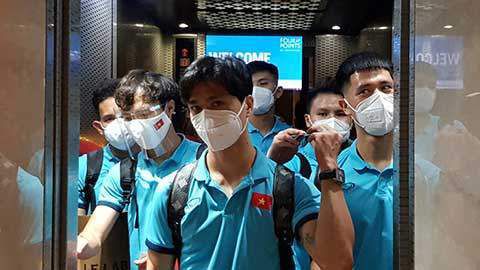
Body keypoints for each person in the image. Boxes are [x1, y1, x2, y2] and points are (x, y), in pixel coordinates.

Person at [145, 56, 354, 270]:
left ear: (248, 105)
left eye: (217, 103)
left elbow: (337, 263)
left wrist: (329, 172)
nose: (206, 116)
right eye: (196, 108)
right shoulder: (174, 192)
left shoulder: (290, 188)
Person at [76, 70, 204, 270]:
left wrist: (164, 258)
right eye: (128, 118)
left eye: (144, 115)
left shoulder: (203, 162)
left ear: (169, 109)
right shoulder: (124, 173)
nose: (137, 124)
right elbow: (94, 232)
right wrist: (81, 245)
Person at [335, 52, 395, 270]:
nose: (378, 98)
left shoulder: (422, 170)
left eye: (386, 88)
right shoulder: (334, 174)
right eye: (365, 91)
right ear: (345, 106)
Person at [268, 78, 354, 181]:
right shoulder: (293, 162)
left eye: (340, 114)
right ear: (308, 120)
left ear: (352, 118)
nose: (332, 120)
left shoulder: (362, 158)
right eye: (323, 114)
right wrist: (271, 161)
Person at [77, 79, 137, 215]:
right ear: (99, 127)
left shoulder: (153, 162)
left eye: (125, 116)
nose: (120, 124)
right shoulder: (85, 167)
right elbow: (77, 224)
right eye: (110, 118)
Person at [246, 61, 290, 154]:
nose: (255, 90)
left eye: (263, 83)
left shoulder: (290, 135)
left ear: (278, 92)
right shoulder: (234, 133)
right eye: (250, 85)